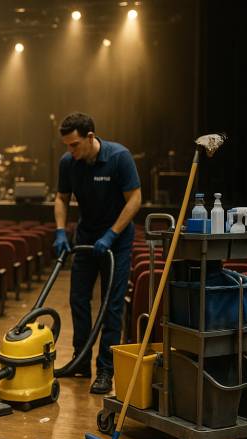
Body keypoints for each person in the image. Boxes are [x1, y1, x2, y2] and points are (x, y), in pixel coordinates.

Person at [52, 112, 141, 394]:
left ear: (90, 137)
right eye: (67, 145)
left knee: (112, 306)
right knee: (78, 300)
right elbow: (61, 198)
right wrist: (59, 230)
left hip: (117, 238)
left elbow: (135, 199)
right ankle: (81, 361)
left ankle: (105, 369)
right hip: (87, 237)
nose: (70, 151)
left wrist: (112, 233)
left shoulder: (119, 157)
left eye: (75, 144)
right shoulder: (69, 163)